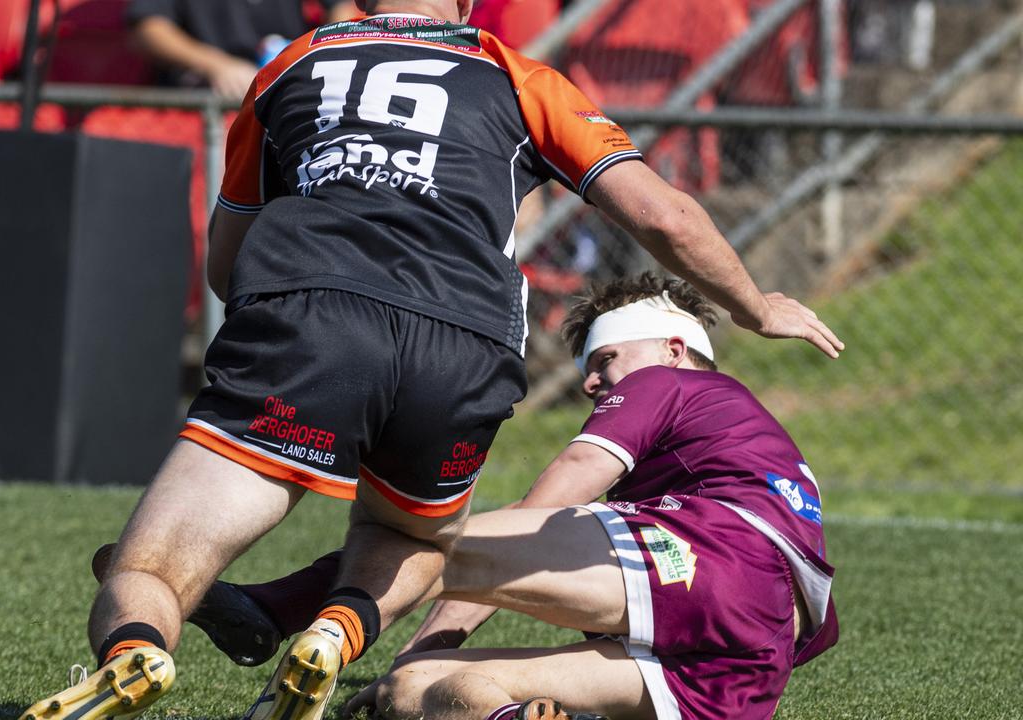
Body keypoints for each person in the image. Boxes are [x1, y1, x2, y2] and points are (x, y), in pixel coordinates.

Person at [17, 0, 843, 717]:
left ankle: (135, 652)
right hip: (468, 340)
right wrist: (756, 306)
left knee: (149, 566)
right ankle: (332, 637)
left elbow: (226, 262)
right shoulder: (517, 74)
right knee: (409, 536)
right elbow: (665, 217)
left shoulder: (295, 63)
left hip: (313, 309)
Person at [337, 273, 838, 720]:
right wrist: (414, 663)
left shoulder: (665, 382)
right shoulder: (724, 440)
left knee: (413, 541)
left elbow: (537, 516)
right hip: (741, 669)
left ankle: (279, 608)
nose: (591, 382)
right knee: (414, 687)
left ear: (674, 348)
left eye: (605, 359)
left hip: (720, 572)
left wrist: (334, 601)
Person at [125, 0, 356, 98]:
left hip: (286, 92)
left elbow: (341, 10)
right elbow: (148, 27)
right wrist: (216, 65)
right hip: (208, 103)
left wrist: (318, 56)